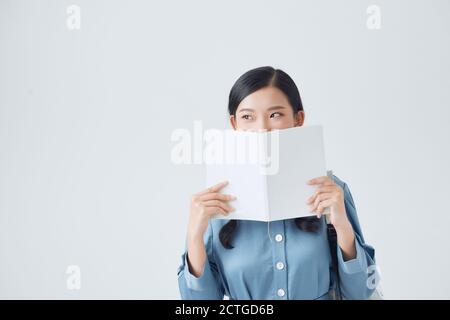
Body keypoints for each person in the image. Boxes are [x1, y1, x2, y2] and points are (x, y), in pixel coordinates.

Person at [177, 66, 376, 300]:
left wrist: (342, 226)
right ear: (234, 124)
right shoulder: (215, 200)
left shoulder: (332, 190)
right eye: (247, 117)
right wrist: (194, 237)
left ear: (298, 119)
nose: (262, 129)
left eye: (275, 115)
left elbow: (361, 292)